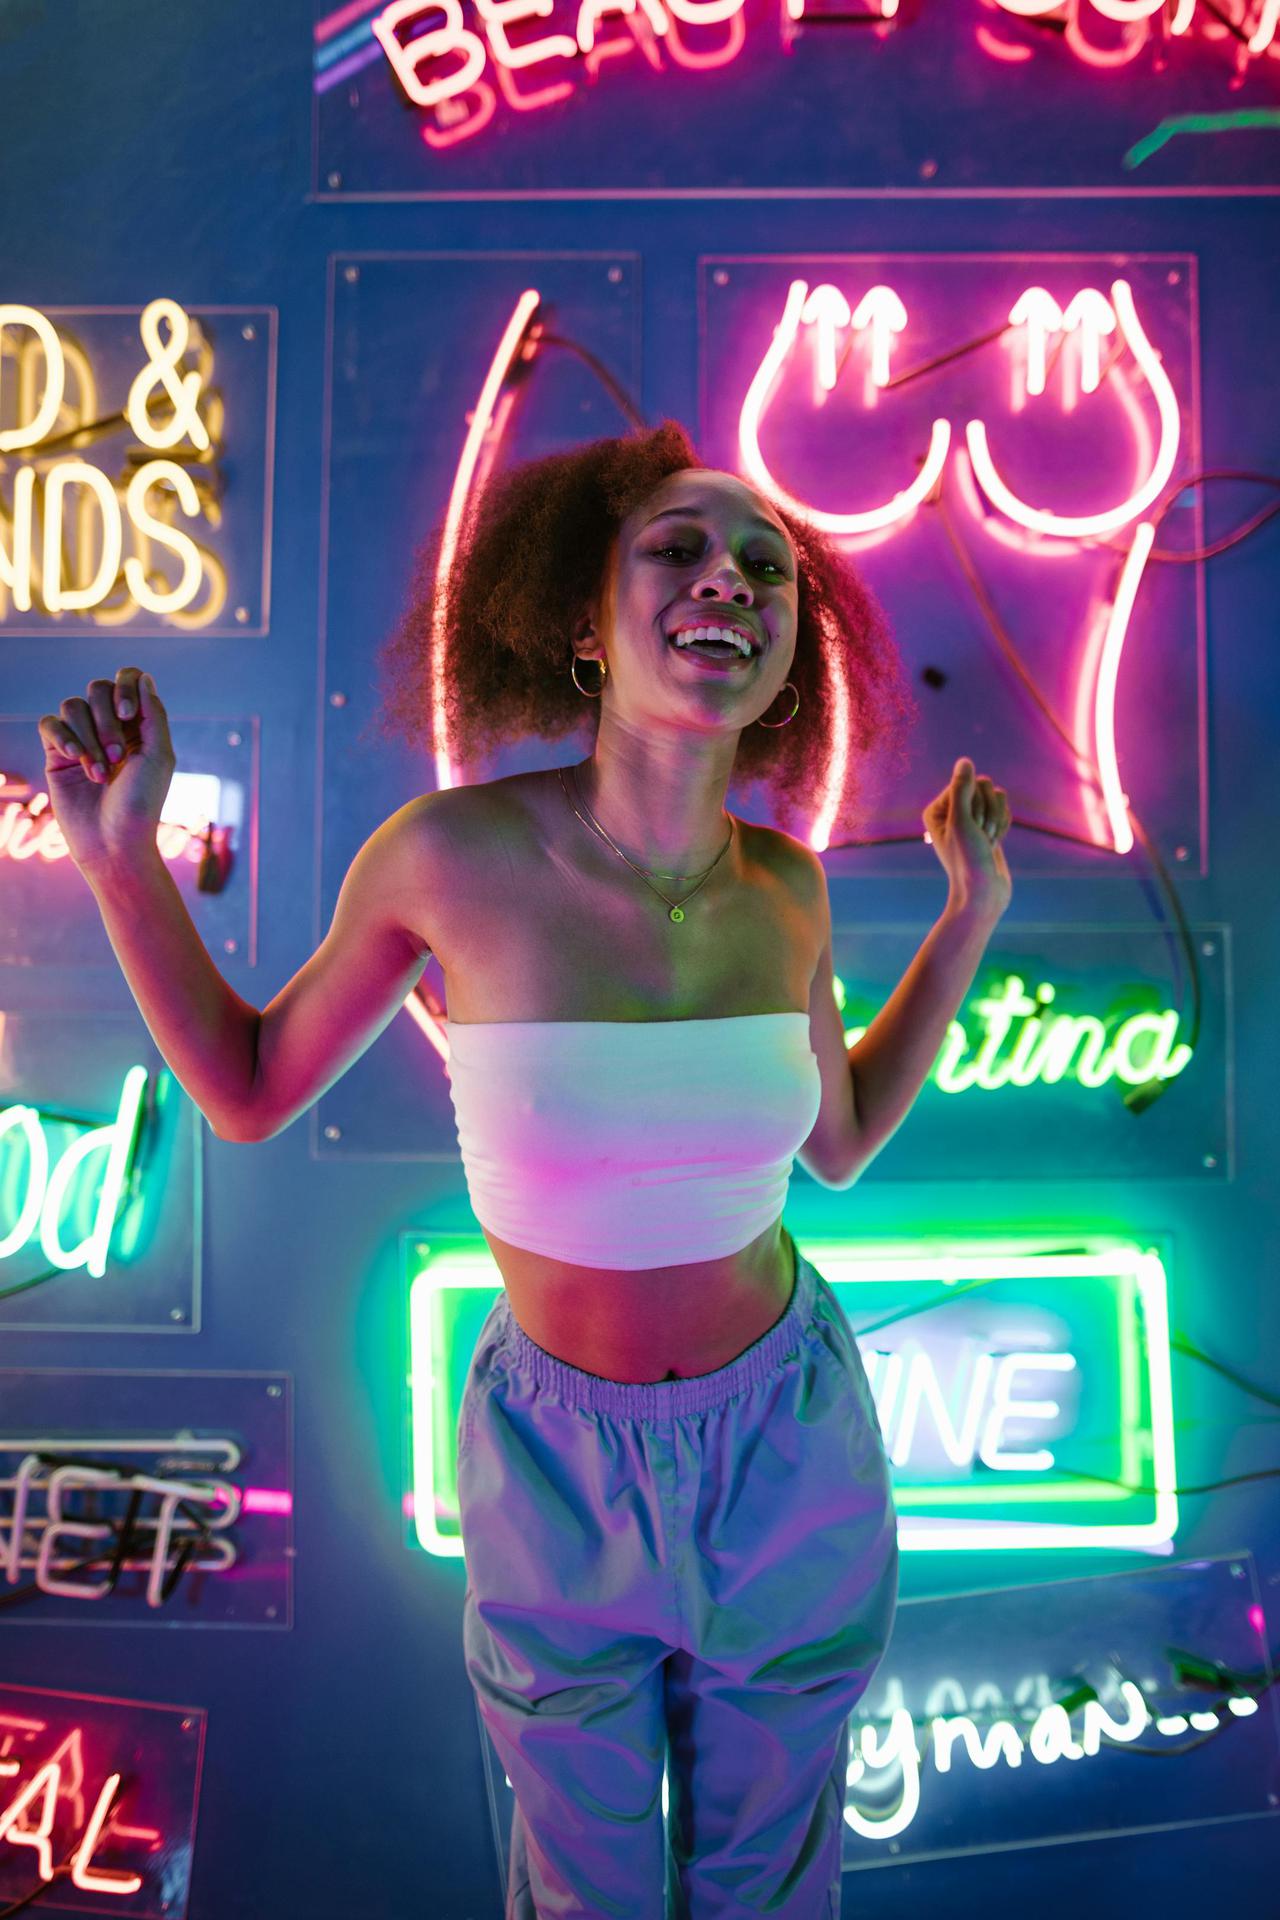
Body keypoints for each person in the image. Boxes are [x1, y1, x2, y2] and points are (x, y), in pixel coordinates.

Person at [40, 419, 1011, 1918]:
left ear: (787, 652)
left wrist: (967, 918)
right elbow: (241, 1089)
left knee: (776, 1885)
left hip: (794, 1438)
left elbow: (841, 1137)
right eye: (677, 548)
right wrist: (121, 864)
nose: (729, 581)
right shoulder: (447, 856)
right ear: (580, 618)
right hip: (557, 1463)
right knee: (584, 1892)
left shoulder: (788, 889)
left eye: (764, 566)